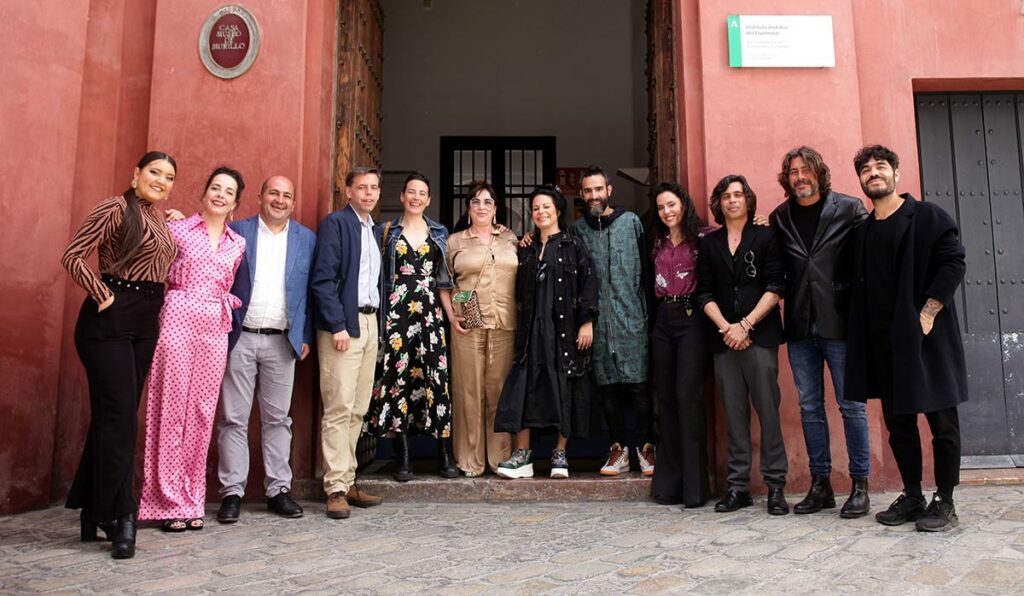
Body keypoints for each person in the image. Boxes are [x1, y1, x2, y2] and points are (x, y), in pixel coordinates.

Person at [60, 151, 178, 559]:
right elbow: (73, 255)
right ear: (136, 174)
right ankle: (118, 513)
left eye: (168, 177)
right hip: (109, 321)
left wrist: (172, 221)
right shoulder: (114, 206)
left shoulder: (162, 218)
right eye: (154, 173)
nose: (161, 181)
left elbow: (157, 255)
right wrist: (103, 294)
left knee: (115, 418)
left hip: (146, 322)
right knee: (121, 418)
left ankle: (93, 510)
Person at [845, 145, 968, 532]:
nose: (873, 173)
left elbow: (953, 261)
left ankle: (945, 501)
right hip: (884, 345)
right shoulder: (862, 232)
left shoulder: (928, 217)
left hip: (926, 339)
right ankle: (913, 495)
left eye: (880, 166)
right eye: (866, 169)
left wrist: (928, 313)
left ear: (896, 173)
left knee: (942, 424)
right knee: (899, 425)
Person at [138, 167, 247, 531]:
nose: (220, 194)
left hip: (214, 328)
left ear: (235, 204)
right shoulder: (178, 229)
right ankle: (163, 502)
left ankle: (190, 500)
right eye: (214, 187)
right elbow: (154, 270)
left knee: (201, 413)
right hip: (178, 317)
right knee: (170, 407)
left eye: (228, 192)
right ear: (203, 193)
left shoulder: (237, 244)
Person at [768, 146, 871, 518]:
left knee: (851, 406)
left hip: (839, 321)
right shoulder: (780, 217)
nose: (800, 177)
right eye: (793, 172)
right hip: (798, 324)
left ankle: (860, 484)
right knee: (810, 407)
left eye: (805, 170)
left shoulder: (848, 208)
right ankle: (821, 484)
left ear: (818, 172)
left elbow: (869, 258)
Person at [214, 176, 317, 523]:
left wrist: (304, 335)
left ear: (293, 203)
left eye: (287, 195)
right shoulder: (237, 231)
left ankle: (278, 490)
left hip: (282, 340)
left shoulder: (307, 239)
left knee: (278, 420)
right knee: (233, 419)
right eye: (273, 193)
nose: (280, 200)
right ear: (259, 197)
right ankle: (232, 492)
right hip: (240, 336)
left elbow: (310, 292)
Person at [696, 174, 789, 515]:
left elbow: (776, 286)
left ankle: (776, 486)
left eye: (738, 195)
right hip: (725, 342)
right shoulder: (709, 243)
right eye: (726, 196)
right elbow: (703, 291)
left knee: (768, 412)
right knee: (734, 415)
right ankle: (738, 487)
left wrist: (746, 324)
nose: (732, 200)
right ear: (718, 204)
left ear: (749, 201)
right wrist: (727, 328)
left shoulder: (766, 237)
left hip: (760, 338)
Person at [494, 185, 598, 479]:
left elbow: (589, 282)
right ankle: (523, 456)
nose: (540, 212)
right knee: (525, 389)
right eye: (536, 208)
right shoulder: (525, 248)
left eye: (546, 207)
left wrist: (587, 321)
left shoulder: (573, 245)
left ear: (558, 211)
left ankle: (559, 454)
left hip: (562, 330)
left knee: (563, 388)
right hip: (529, 330)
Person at [364, 173, 456, 480]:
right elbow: (373, 275)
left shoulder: (439, 232)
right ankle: (402, 457)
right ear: (402, 196)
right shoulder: (385, 232)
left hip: (430, 314)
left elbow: (443, 280)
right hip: (397, 313)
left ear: (428, 200)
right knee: (398, 380)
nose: (416, 197)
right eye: (411, 192)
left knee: (436, 379)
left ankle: (445, 455)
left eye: (422, 193)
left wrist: (450, 317)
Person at [311, 166, 386, 519]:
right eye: (362, 188)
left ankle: (349, 477)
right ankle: (335, 487)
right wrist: (337, 324)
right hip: (344, 325)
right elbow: (323, 279)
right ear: (348, 191)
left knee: (357, 408)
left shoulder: (373, 230)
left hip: (369, 324)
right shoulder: (336, 224)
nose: (369, 193)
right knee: (339, 407)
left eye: (374, 188)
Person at [572, 166, 655, 476]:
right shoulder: (577, 232)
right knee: (608, 390)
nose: (594, 195)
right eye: (588, 191)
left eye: (598, 189)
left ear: (609, 190)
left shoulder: (631, 223)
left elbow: (647, 272)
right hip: (598, 325)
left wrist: (648, 317)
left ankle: (647, 448)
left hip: (632, 319)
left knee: (639, 388)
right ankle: (618, 449)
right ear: (581, 195)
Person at [439, 181, 515, 477]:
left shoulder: (510, 239)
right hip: (466, 323)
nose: (482, 206)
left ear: (496, 208)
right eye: (476, 202)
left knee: (499, 391)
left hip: (505, 321)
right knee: (469, 391)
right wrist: (453, 313)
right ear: (468, 208)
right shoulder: (455, 241)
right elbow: (445, 285)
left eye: (487, 202)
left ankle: (500, 458)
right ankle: (470, 459)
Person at [648, 182, 711, 507]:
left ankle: (695, 489)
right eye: (661, 207)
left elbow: (736, 234)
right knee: (667, 400)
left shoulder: (702, 237)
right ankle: (668, 486)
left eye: (671, 204)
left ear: (683, 205)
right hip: (663, 319)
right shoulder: (657, 242)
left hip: (692, 319)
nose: (666, 211)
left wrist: (760, 221)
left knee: (688, 397)